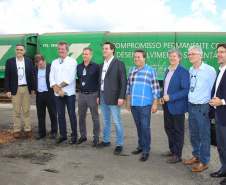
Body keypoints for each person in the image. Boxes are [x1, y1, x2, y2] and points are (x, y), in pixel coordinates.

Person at [184, 46, 216, 172]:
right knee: (194, 135)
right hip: (191, 106)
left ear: (201, 55)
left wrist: (212, 108)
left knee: (204, 136)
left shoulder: (209, 70)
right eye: (189, 54)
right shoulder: (191, 69)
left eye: (193, 54)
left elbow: (213, 90)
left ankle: (205, 161)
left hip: (202, 107)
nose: (190, 56)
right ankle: (197, 156)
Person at [126, 49, 160, 161]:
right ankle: (140, 146)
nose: (136, 59)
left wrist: (155, 104)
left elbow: (155, 89)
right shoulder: (131, 71)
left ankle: (146, 150)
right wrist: (128, 101)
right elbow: (128, 88)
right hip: (134, 104)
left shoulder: (151, 71)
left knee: (145, 127)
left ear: (144, 58)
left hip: (145, 105)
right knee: (139, 126)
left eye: (138, 57)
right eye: (135, 56)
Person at [96, 42, 127, 155]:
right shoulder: (101, 65)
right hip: (103, 95)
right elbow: (99, 82)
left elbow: (123, 81)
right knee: (106, 120)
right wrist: (98, 96)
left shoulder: (119, 63)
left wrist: (121, 97)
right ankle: (106, 140)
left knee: (117, 121)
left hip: (114, 97)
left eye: (106, 48)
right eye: (103, 48)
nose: (104, 50)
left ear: (112, 50)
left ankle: (119, 144)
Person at [160, 48, 189, 163]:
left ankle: (178, 155)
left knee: (178, 131)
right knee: (169, 129)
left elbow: (185, 90)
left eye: (174, 56)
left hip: (178, 107)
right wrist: (162, 96)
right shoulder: (168, 69)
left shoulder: (183, 71)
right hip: (167, 105)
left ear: (179, 58)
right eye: (170, 56)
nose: (172, 58)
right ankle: (172, 150)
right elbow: (166, 86)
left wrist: (170, 97)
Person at [49, 41, 78, 145]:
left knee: (71, 115)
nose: (60, 50)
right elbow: (51, 77)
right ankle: (63, 135)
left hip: (69, 94)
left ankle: (74, 136)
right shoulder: (54, 62)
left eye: (62, 49)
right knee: (60, 115)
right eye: (59, 49)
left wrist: (59, 87)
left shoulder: (72, 62)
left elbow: (70, 78)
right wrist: (57, 90)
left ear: (67, 50)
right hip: (58, 94)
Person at [4, 43, 35, 139]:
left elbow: (31, 75)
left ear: (24, 51)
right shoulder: (10, 62)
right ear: (15, 50)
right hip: (15, 89)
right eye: (17, 49)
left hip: (26, 88)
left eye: (21, 50)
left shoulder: (29, 61)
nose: (19, 51)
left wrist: (33, 88)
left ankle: (27, 129)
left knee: (26, 110)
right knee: (16, 111)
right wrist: (8, 89)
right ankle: (17, 130)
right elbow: (7, 76)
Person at [209, 43, 226, 185]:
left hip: (224, 113)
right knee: (221, 146)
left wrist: (223, 102)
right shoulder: (220, 70)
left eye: (222, 52)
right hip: (219, 115)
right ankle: (224, 169)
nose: (219, 54)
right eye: (218, 52)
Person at [76, 48, 100, 147]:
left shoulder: (96, 67)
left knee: (95, 118)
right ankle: (83, 136)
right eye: (83, 54)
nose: (84, 56)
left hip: (92, 95)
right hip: (81, 95)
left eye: (86, 54)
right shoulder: (79, 66)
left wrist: (98, 95)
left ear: (91, 55)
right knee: (81, 117)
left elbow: (99, 82)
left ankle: (96, 138)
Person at [33, 54, 57, 140]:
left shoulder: (51, 67)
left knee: (53, 113)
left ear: (44, 60)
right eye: (38, 65)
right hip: (39, 94)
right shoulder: (35, 69)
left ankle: (54, 131)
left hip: (49, 94)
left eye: (41, 64)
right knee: (40, 114)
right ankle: (41, 132)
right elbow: (34, 80)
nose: (40, 66)